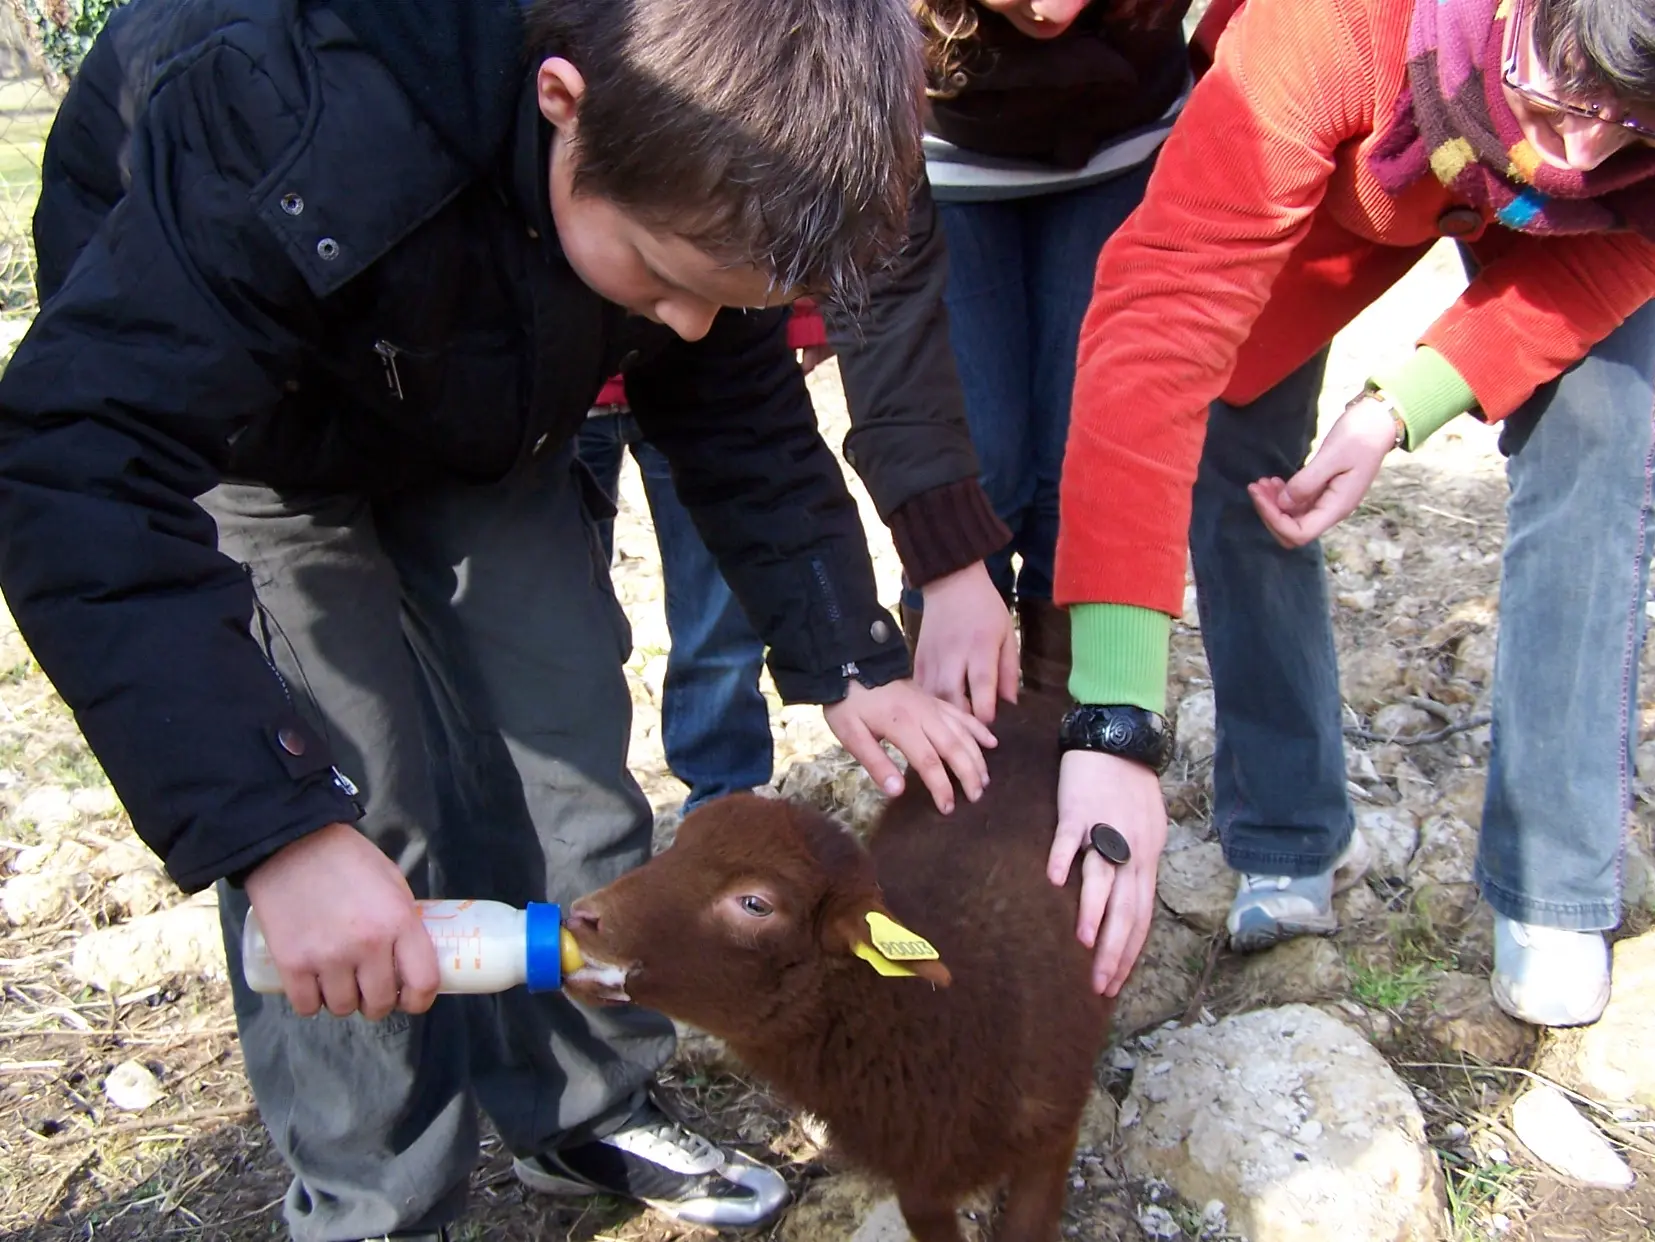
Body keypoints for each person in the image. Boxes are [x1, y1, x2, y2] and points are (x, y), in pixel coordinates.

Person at [0, 1, 999, 1239]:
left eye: (718, 297)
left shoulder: (689, 135)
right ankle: (374, 1202)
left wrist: (845, 651)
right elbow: (80, 459)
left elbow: (725, 387)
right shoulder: (279, 102)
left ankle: (582, 1106)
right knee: (358, 817)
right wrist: (271, 829)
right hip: (252, 426)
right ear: (565, 105)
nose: (683, 328)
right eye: (670, 282)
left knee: (566, 747)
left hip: (489, 397)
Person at [1050, 0, 1655, 1026]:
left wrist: (1397, 409)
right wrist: (1114, 718)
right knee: (1230, 433)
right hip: (1354, 167)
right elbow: (1160, 331)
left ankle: (1552, 881)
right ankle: (1285, 835)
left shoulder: (1617, 142)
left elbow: (1623, 238)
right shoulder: (1328, 23)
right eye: (1568, 94)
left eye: (1630, 120)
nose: (1580, 149)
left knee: (1605, 431)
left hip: (1572, 245)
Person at [824, 0, 1194, 723]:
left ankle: (1072, 743)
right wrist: (944, 557)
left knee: (1083, 467)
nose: (1050, 6)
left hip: (1127, 144)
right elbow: (884, 328)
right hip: (933, 153)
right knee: (980, 470)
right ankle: (962, 759)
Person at [571, 304, 831, 815]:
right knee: (563, 628)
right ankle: (579, 813)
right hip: (560, 390)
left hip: (699, 372)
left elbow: (741, 226)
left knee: (720, 612)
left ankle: (724, 802)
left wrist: (804, 316)